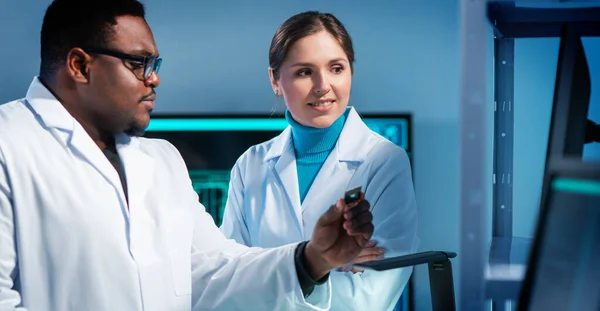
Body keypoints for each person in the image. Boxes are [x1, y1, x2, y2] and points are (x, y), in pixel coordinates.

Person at [0, 1, 376, 310]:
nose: (154, 79)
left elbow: (214, 272)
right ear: (80, 66)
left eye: (155, 65)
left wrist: (312, 260)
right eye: (138, 63)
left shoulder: (162, 161)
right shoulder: (10, 143)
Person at [219, 11, 419, 311]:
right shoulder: (251, 165)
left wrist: (269, 273)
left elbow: (366, 301)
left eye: (336, 68)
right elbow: (230, 283)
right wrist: (321, 265)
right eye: (304, 72)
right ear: (275, 79)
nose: (323, 86)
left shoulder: (384, 162)